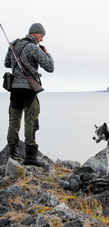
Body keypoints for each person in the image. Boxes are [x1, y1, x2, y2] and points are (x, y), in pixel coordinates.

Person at [4, 23, 54, 166]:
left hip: (14, 89)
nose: (42, 39)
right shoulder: (33, 47)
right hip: (28, 88)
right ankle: (30, 156)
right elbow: (50, 67)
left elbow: (7, 63)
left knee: (14, 121)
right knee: (31, 120)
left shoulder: (14, 44)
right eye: (41, 36)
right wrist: (47, 53)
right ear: (34, 33)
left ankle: (13, 155)